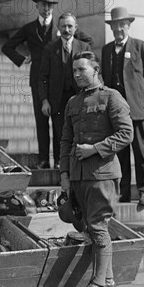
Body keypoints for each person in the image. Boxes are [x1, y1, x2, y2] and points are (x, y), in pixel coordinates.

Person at [60, 52, 133, 287]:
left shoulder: (112, 97)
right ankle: (109, 279)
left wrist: (95, 149)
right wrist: (64, 174)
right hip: (78, 177)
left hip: (102, 175)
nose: (78, 74)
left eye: (82, 69)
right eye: (75, 71)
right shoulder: (72, 103)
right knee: (91, 228)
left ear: (95, 69)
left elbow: (126, 133)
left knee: (99, 228)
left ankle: (98, 283)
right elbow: (66, 141)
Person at [2, 0, 93, 169]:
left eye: (50, 6)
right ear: (37, 6)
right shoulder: (29, 28)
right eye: (43, 5)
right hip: (40, 79)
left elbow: (86, 40)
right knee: (41, 121)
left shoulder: (62, 28)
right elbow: (8, 46)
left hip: (62, 79)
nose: (47, 9)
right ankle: (43, 159)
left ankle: (59, 159)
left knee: (60, 121)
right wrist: (23, 58)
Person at [100, 7, 144, 207]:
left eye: (122, 24)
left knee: (140, 151)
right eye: (115, 25)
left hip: (138, 110)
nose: (119, 29)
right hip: (117, 112)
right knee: (120, 153)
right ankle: (124, 192)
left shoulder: (140, 46)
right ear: (111, 28)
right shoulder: (107, 50)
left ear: (128, 26)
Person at [39, 13, 92, 170]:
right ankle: (59, 163)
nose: (66, 30)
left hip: (79, 96)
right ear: (58, 27)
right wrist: (44, 100)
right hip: (57, 99)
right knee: (60, 133)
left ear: (75, 28)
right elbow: (42, 77)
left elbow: (92, 73)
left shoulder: (84, 47)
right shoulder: (50, 49)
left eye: (70, 26)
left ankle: (79, 163)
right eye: (63, 26)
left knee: (79, 130)